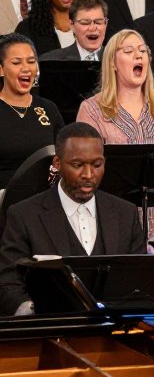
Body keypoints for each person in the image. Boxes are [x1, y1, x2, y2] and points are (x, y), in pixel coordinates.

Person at [0, 122, 145, 316]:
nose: (88, 175)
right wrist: (32, 311)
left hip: (114, 335)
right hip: (50, 333)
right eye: (77, 165)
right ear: (57, 163)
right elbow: (8, 282)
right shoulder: (23, 215)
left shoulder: (126, 213)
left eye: (97, 165)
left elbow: (139, 279)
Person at [77, 29, 154, 239]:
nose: (138, 56)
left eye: (142, 51)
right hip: (112, 226)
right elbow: (86, 173)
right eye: (129, 51)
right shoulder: (91, 110)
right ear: (112, 63)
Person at [0, 34, 64, 190]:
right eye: (16, 62)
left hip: (45, 198)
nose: (26, 68)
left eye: (31, 61)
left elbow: (65, 154)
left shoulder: (49, 108)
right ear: (1, 69)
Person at [40, 0, 109, 62]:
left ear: (106, 24)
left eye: (98, 22)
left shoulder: (116, 59)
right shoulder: (50, 61)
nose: (93, 28)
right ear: (72, 25)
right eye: (85, 23)